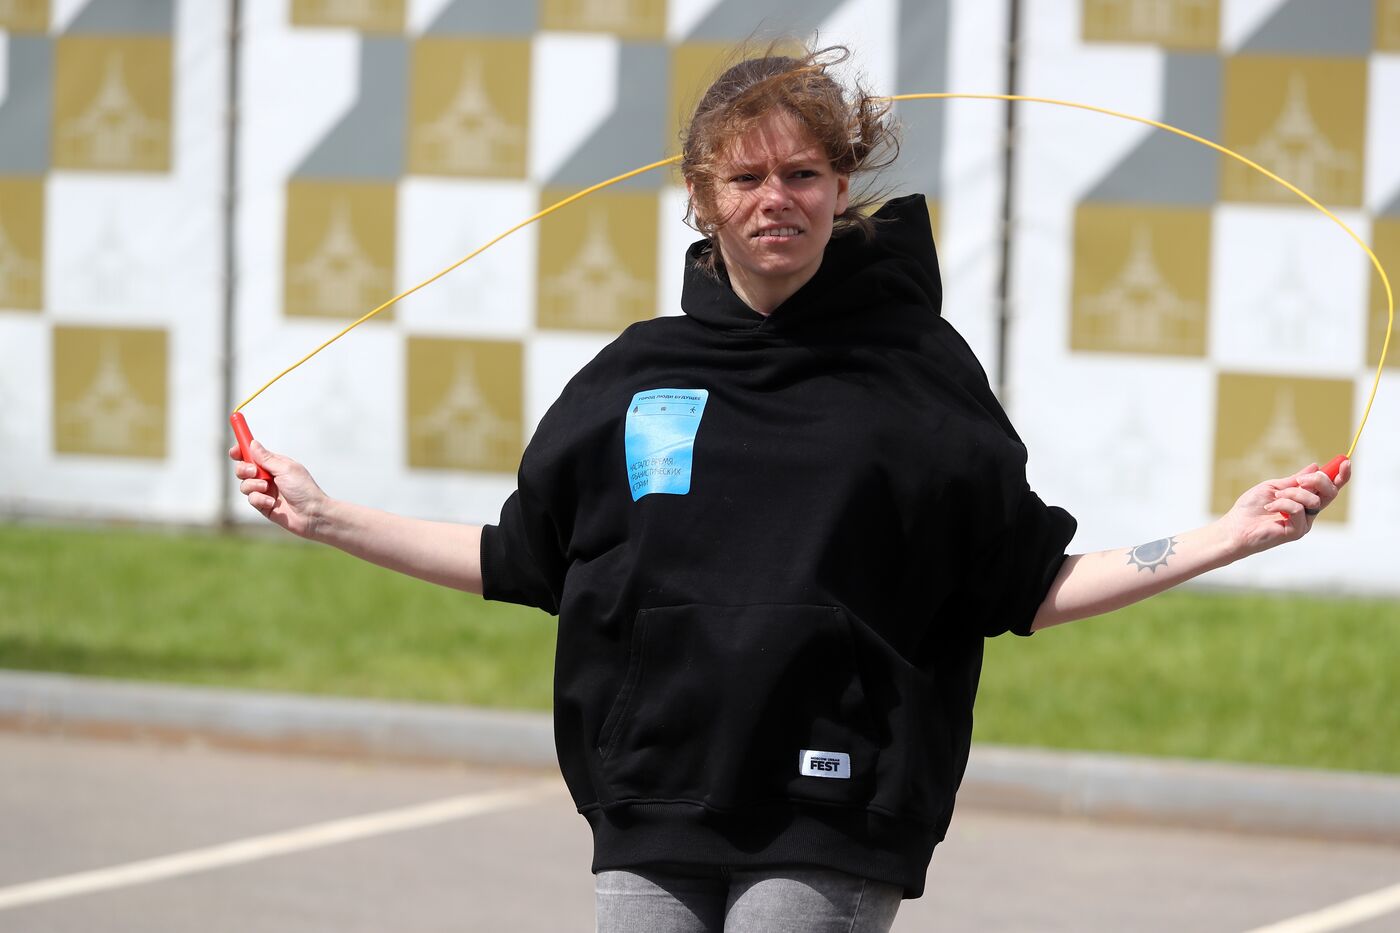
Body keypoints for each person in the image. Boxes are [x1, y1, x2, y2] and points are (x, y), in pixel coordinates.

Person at [231, 45, 1349, 933]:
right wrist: (324, 517)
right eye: (748, 176)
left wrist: (1229, 534)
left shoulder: (913, 372)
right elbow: (523, 561)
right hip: (653, 793)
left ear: (842, 186)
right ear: (700, 196)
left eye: (804, 173)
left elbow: (1022, 583)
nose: (779, 200)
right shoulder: (635, 374)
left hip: (838, 802)